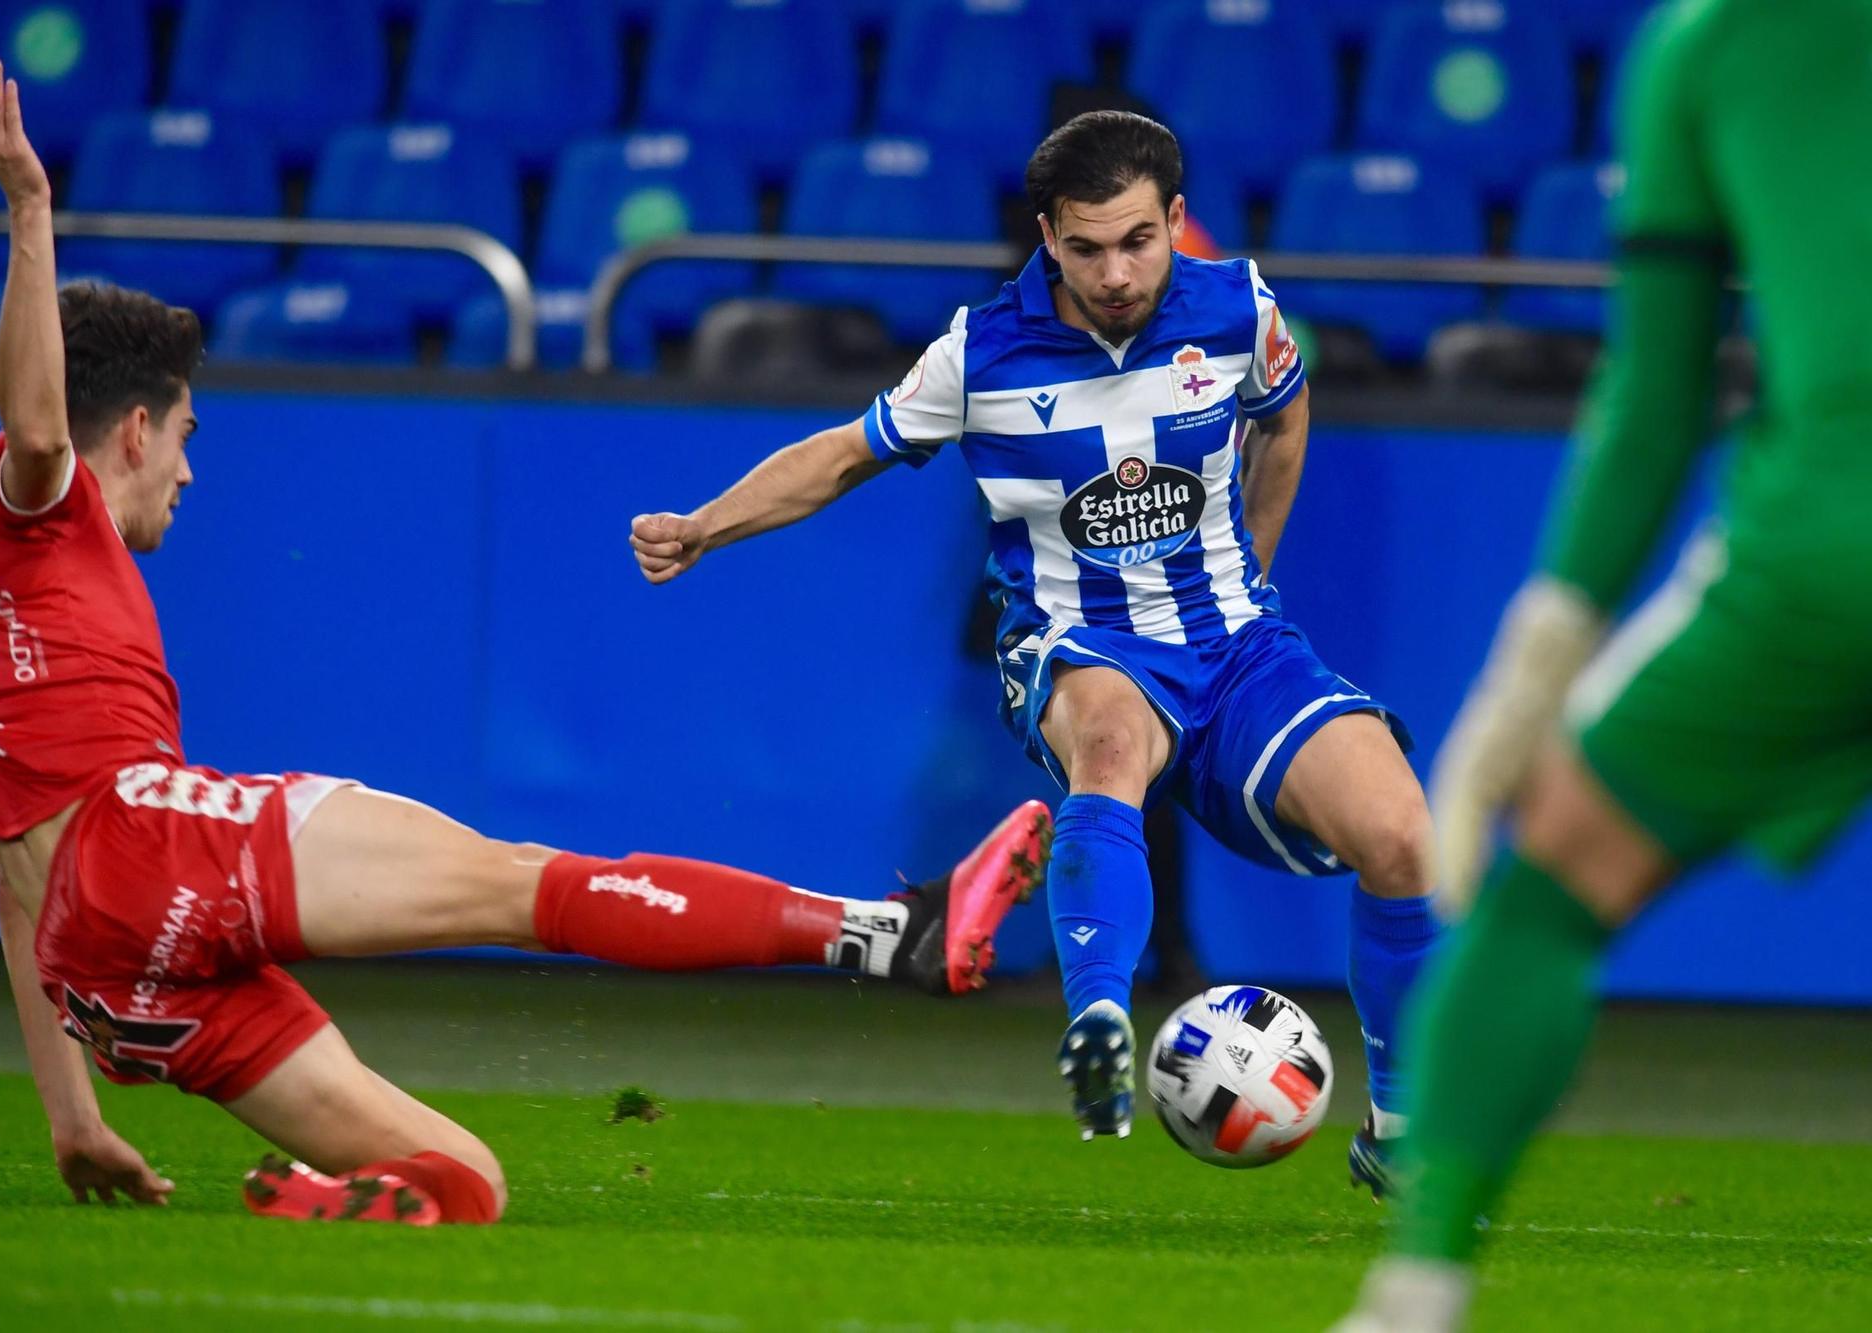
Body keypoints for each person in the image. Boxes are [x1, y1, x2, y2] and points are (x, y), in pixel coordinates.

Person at [0, 52, 1052, 1227]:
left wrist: (74, 1116)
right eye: (184, 434)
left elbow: (14, 886)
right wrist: (31, 210)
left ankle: (302, 1209)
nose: (188, 468)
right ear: (133, 428)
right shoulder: (44, 512)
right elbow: (38, 427)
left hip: (106, 980)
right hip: (147, 850)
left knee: (464, 1189)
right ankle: (882, 935)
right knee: (520, 885)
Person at [631, 111, 1439, 1184]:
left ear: (1176, 222)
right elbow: (839, 457)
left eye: (1138, 241)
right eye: (1087, 246)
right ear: (1047, 234)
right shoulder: (978, 353)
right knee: (1108, 745)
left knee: (1401, 837)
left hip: (1237, 645)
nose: (1114, 272)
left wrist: (1254, 574)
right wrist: (700, 527)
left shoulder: (1238, 308)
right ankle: (1098, 1018)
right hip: (1078, 640)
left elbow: (1283, 419)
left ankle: (1398, 1138)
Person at [1337, 1, 1872, 1326]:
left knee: (1551, 883)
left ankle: (1417, 1292)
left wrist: (1534, 674)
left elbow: (1658, 392)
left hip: (1829, 560)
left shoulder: (1715, 43)